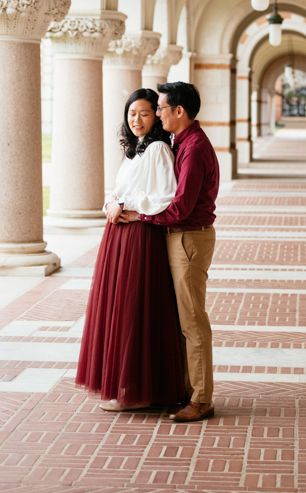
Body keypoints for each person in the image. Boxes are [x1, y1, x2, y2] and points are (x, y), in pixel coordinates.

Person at [75, 88, 185, 411]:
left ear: (157, 117)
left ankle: (135, 392)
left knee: (134, 311)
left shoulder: (158, 150)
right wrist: (111, 201)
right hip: (119, 236)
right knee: (118, 309)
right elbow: (121, 189)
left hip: (140, 237)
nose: (136, 120)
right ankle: (126, 386)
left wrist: (125, 205)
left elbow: (166, 195)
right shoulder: (135, 151)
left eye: (145, 113)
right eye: (131, 113)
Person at [121, 81, 219, 423]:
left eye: (160, 108)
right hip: (178, 236)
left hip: (188, 237)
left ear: (179, 111)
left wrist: (140, 215)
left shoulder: (194, 149)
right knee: (179, 319)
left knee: (192, 321)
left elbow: (180, 207)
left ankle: (202, 399)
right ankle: (184, 390)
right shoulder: (182, 140)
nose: (157, 113)